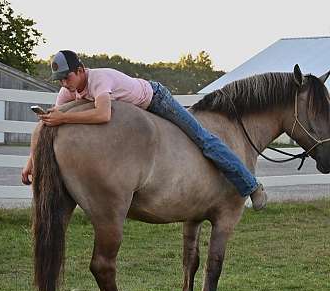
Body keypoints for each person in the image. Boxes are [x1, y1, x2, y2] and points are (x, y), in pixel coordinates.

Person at [21, 50, 267, 210]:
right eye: (61, 80)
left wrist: (63, 119)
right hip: (136, 109)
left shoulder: (99, 80)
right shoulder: (68, 91)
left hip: (156, 99)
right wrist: (31, 161)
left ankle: (250, 184)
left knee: (202, 138)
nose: (65, 84)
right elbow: (48, 124)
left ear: (81, 70)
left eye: (68, 78)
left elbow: (103, 114)